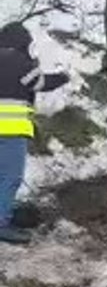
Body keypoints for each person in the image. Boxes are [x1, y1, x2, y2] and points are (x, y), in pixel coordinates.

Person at [0, 22, 69, 243]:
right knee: (10, 177)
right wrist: (63, 77)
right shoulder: (20, 62)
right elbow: (40, 83)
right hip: (10, 131)